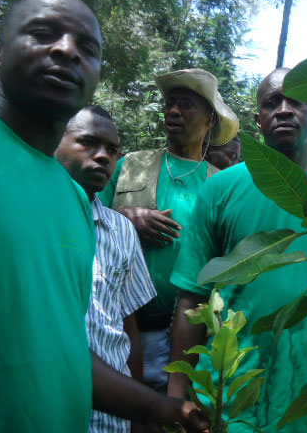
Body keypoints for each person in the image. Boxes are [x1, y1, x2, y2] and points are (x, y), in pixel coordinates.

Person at [0, 0, 208, 432]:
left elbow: (65, 347)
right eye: (43, 33)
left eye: (87, 49)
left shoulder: (71, 196)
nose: (66, 50)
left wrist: (153, 407)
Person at [168, 68, 307, 432]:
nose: (283, 109)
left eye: (295, 100)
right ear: (258, 120)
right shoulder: (220, 190)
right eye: (271, 102)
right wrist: (176, 396)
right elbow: (191, 298)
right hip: (230, 399)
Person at [99, 68, 239, 393]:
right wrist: (126, 219)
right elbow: (89, 221)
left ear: (211, 120)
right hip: (122, 328)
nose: (173, 111)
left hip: (191, 337)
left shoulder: (222, 183)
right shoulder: (130, 164)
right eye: (170, 103)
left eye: (187, 105)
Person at [56, 105, 159, 433]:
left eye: (113, 150)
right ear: (56, 140)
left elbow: (129, 327)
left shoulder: (121, 230)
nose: (103, 157)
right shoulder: (29, 218)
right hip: (51, 407)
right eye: (88, 143)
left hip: (112, 418)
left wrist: (139, 412)